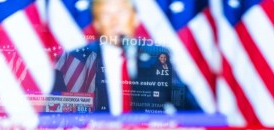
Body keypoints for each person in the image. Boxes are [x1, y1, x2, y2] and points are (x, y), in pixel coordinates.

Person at [52, 0, 199, 114]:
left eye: (121, 13)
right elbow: (55, 115)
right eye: (106, 14)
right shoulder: (75, 61)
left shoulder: (157, 58)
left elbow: (191, 111)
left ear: (135, 18)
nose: (115, 21)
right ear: (96, 24)